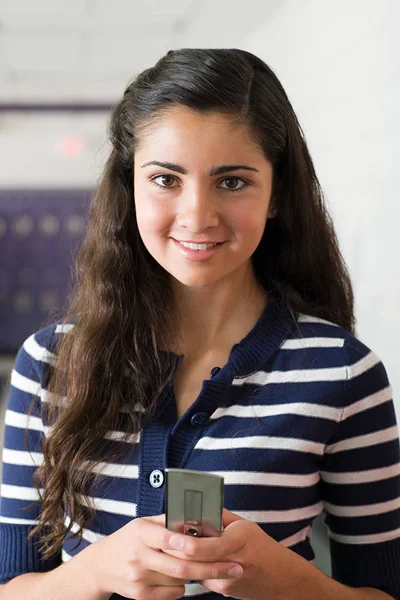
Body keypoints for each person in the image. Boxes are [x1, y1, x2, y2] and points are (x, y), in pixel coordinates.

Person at [0, 47, 399, 600]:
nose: (197, 215)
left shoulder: (344, 374)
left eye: (231, 182)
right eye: (166, 179)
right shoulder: (47, 362)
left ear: (277, 192)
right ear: (130, 185)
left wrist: (291, 584)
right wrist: (94, 572)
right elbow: (11, 586)